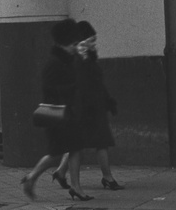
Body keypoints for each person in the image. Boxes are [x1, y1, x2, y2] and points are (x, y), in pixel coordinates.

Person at [20, 18, 93, 202]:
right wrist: (72, 92)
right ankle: (31, 178)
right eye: (73, 44)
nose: (75, 47)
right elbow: (50, 90)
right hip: (58, 116)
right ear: (63, 44)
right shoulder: (54, 63)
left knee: (76, 149)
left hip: (70, 113)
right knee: (55, 154)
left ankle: (76, 187)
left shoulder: (69, 60)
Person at [53, 21, 124, 191]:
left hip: (93, 107)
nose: (94, 43)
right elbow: (82, 87)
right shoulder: (77, 61)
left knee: (80, 143)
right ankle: (107, 178)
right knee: (99, 143)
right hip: (87, 109)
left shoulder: (88, 58)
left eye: (94, 40)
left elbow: (97, 83)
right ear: (82, 41)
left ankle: (62, 172)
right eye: (91, 40)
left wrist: (107, 100)